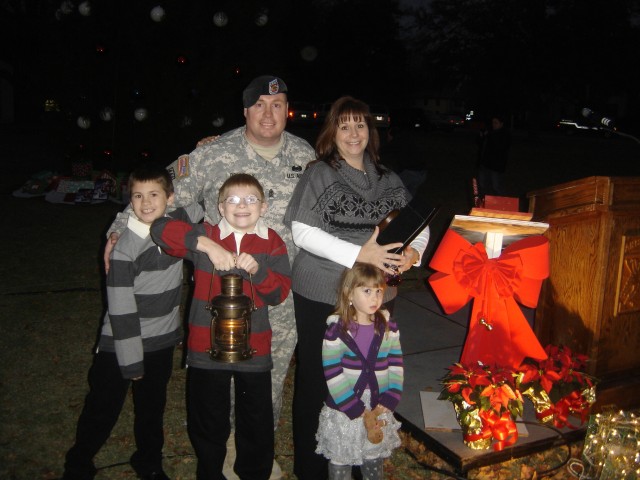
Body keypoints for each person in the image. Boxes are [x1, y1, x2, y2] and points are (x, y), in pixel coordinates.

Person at [103, 74, 315, 479]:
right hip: (219, 294)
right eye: (259, 105)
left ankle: (255, 457)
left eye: (277, 104)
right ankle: (226, 455)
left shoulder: (305, 155)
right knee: (219, 385)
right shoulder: (212, 154)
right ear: (245, 110)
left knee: (267, 381)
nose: (268, 113)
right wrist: (118, 228)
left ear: (287, 109)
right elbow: (159, 195)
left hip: (279, 291)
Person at [283, 96, 429, 480]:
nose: (353, 133)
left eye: (360, 125)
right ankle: (312, 469)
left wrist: (414, 252)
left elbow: (420, 222)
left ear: (370, 132)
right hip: (323, 292)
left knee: (371, 378)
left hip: (376, 297)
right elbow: (302, 230)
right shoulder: (320, 173)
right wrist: (358, 254)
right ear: (333, 132)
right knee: (320, 379)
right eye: (344, 125)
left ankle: (363, 456)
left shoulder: (388, 179)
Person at [62, 165, 203, 480]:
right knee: (103, 406)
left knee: (152, 407)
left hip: (161, 339)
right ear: (129, 201)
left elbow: (200, 205)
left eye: (154, 195)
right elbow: (121, 308)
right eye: (137, 196)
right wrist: (131, 363)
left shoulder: (177, 221)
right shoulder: (125, 247)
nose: (146, 202)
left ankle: (149, 461)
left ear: (169, 198)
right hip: (122, 342)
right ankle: (79, 461)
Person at [150, 173, 291, 480]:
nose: (242, 206)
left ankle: (254, 472)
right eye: (233, 200)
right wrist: (206, 245)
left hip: (255, 347)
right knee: (208, 416)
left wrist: (260, 270)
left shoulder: (272, 241)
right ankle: (211, 471)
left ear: (264, 207)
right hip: (205, 345)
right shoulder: (208, 234)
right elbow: (160, 229)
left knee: (256, 417)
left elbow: (279, 293)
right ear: (220, 206)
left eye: (251, 199)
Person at [315, 263, 404, 480]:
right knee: (341, 457)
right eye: (367, 291)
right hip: (345, 407)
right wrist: (353, 406)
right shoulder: (336, 331)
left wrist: (391, 396)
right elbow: (333, 372)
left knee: (373, 454)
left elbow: (396, 362)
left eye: (378, 291)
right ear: (349, 294)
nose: (375, 298)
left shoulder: (388, 327)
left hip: (378, 403)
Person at [476, 114, 511, 196]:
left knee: (496, 187)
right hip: (485, 164)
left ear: (501, 124)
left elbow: (500, 147)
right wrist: (481, 137)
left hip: (496, 166)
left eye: (496, 123)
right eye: (493, 122)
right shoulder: (490, 132)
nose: (493, 124)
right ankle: (484, 202)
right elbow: (481, 145)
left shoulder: (504, 134)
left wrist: (489, 136)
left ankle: (501, 204)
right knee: (482, 185)